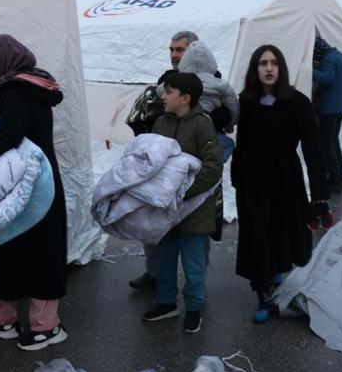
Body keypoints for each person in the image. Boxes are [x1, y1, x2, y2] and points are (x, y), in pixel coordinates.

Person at [0, 34, 69, 351]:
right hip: (36, 181)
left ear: (2, 63)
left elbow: (11, 132)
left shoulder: (15, 91)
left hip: (26, 184)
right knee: (14, 247)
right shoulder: (36, 86)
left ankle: (46, 326)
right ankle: (3, 319)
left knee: (19, 248)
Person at [231, 45, 329, 324]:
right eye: (263, 63)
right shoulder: (246, 101)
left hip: (285, 179)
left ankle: (276, 266)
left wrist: (320, 195)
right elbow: (243, 141)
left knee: (282, 229)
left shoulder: (297, 102)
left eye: (274, 63)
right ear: (255, 69)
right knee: (257, 234)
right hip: (252, 180)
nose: (269, 68)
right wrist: (236, 174)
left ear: (282, 68)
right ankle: (262, 292)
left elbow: (313, 150)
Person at [141, 73, 223, 333]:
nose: (163, 96)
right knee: (164, 259)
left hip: (194, 212)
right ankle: (166, 303)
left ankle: (194, 308)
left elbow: (213, 167)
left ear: (185, 98)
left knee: (193, 265)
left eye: (169, 92)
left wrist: (183, 193)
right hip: (165, 212)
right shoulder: (160, 123)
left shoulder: (202, 125)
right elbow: (150, 160)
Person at [178, 41, 239, 161]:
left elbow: (161, 90)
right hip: (211, 128)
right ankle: (214, 163)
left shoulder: (181, 82)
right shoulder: (220, 84)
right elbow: (234, 106)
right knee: (228, 144)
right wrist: (231, 124)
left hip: (184, 129)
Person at [312, 35, 342, 194]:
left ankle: (335, 181)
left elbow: (327, 79)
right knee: (334, 142)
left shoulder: (329, 59)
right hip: (340, 107)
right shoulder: (341, 56)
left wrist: (309, 69)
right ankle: (338, 176)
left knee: (327, 145)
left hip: (330, 109)